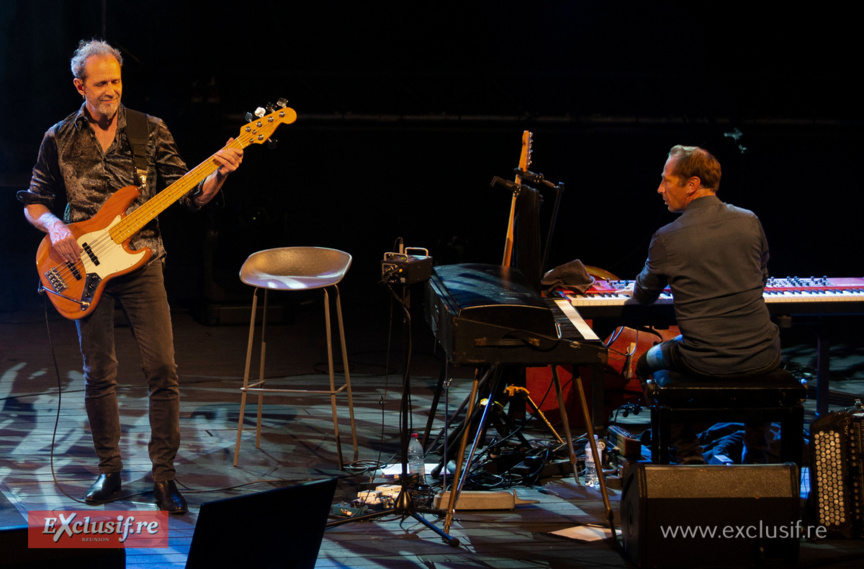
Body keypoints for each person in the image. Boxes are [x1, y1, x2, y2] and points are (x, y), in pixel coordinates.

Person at [17, 39, 243, 513]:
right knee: (99, 373)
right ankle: (109, 471)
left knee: (162, 369)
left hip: (143, 261)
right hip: (82, 268)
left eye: (116, 81)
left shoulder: (150, 130)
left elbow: (190, 196)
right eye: (100, 83)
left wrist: (219, 173)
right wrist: (55, 224)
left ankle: (164, 477)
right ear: (80, 86)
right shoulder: (58, 136)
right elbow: (34, 200)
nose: (110, 91)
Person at [630, 145, 781, 464]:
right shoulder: (750, 220)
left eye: (666, 181)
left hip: (701, 359)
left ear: (692, 184)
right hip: (764, 353)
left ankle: (689, 454)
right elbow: (761, 275)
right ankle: (756, 455)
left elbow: (642, 297)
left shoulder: (667, 237)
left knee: (644, 364)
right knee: (757, 368)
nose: (660, 189)